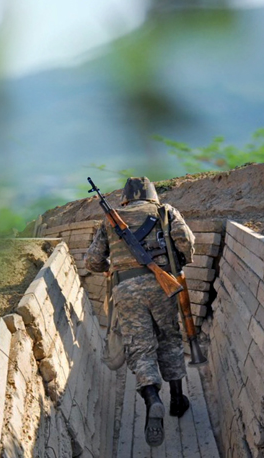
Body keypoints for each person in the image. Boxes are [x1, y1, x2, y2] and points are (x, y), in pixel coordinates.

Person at [85, 177, 194, 447]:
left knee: (140, 348)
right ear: (152, 194)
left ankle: (152, 399)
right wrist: (179, 262)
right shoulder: (165, 211)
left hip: (125, 289)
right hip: (162, 286)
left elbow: (92, 261)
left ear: (125, 197)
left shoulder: (110, 219)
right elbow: (186, 241)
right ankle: (177, 400)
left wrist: (113, 267)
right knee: (170, 338)